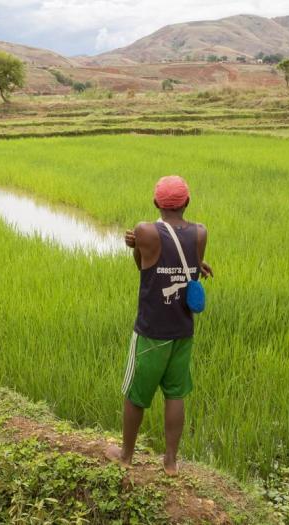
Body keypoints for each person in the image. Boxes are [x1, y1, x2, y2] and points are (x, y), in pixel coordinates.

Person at [106, 175, 213, 476]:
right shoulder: (201, 232)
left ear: (156, 203)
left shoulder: (144, 231)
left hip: (152, 331)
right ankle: (170, 462)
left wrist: (135, 246)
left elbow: (143, 266)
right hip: (182, 330)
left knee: (135, 393)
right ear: (187, 202)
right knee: (175, 393)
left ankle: (126, 456)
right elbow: (192, 265)